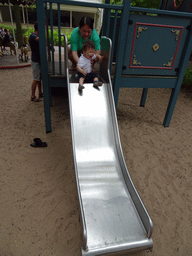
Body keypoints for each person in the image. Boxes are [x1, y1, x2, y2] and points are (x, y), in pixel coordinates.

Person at [29, 21, 43, 102]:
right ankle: (32, 96)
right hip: (35, 61)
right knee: (36, 79)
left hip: (38, 60)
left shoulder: (36, 35)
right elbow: (38, 39)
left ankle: (40, 93)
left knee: (39, 78)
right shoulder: (33, 36)